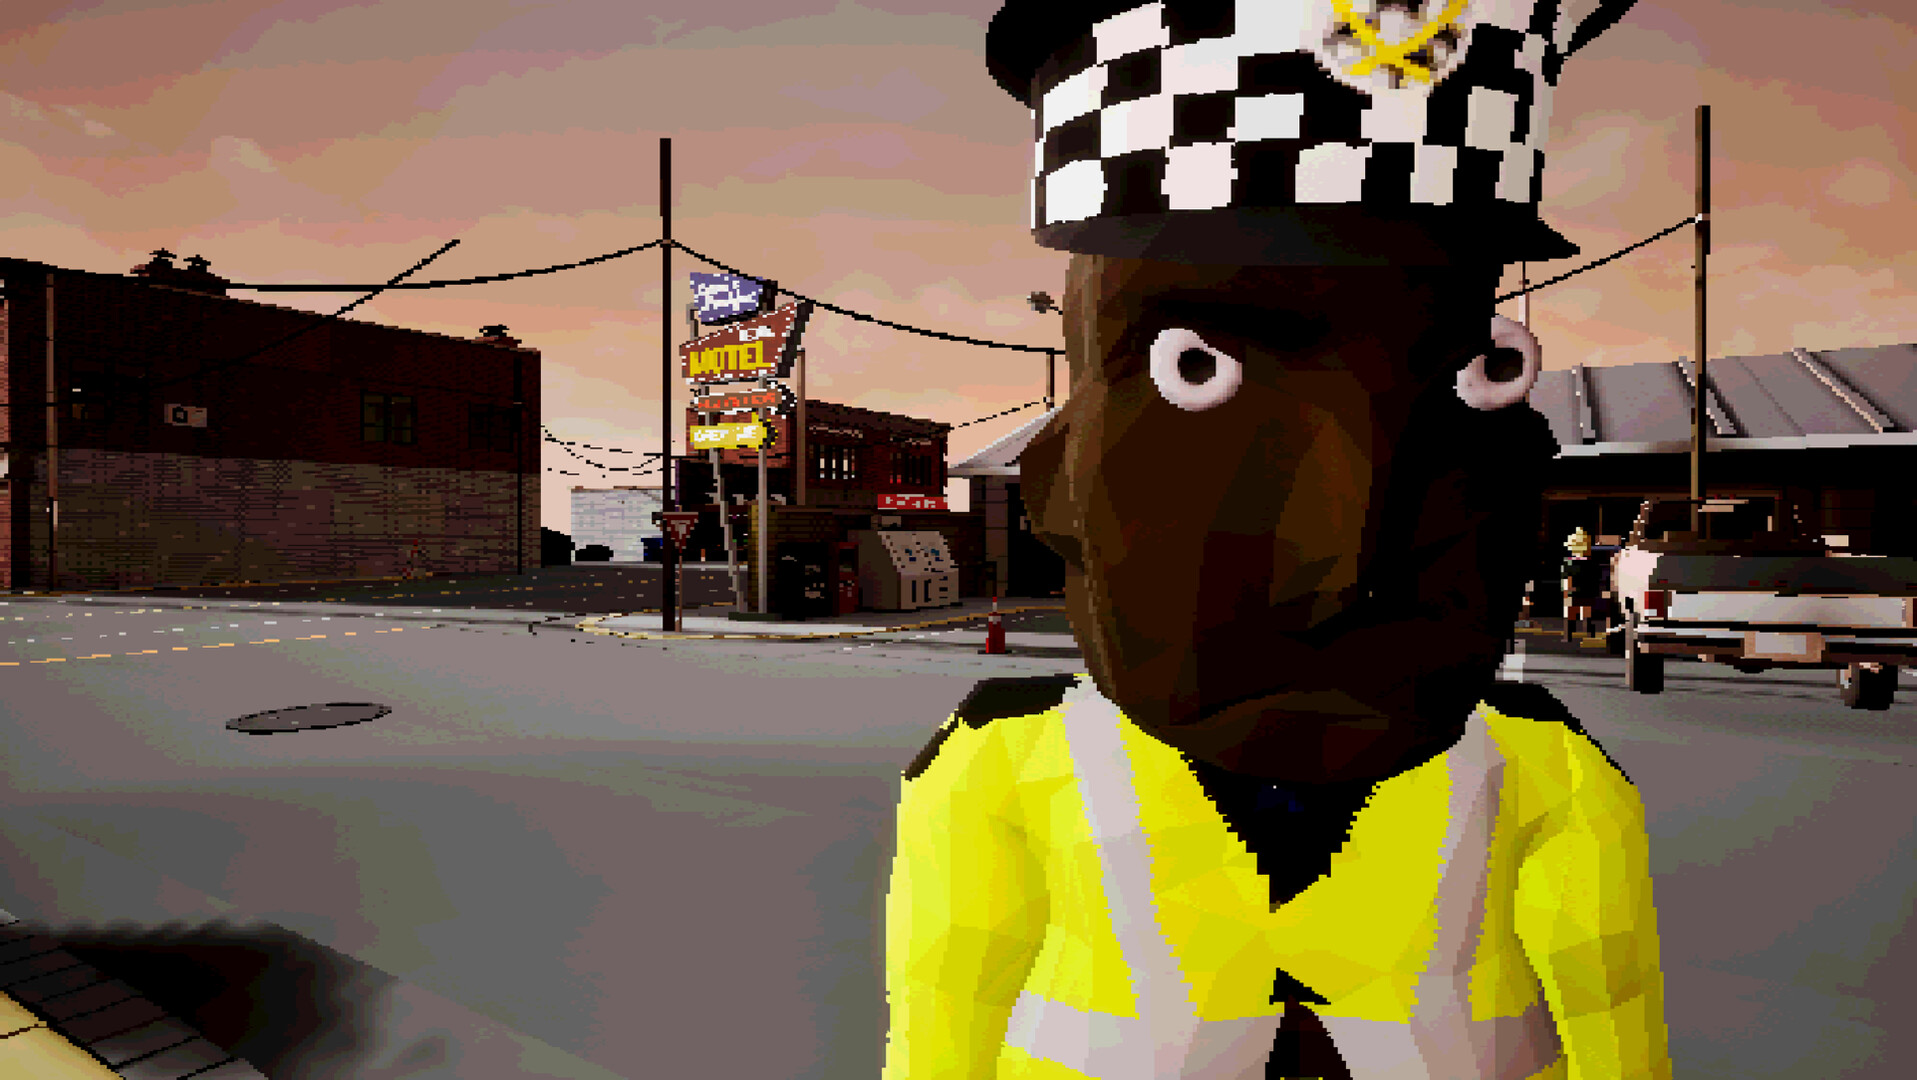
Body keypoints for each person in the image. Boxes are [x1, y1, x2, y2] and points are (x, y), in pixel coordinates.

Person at [885, 2, 1672, 1078]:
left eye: (1477, 375)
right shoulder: (993, 774)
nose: (1351, 559)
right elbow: (939, 1037)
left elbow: (1620, 1034)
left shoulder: (1555, 781)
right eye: (1196, 370)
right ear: (1052, 477)